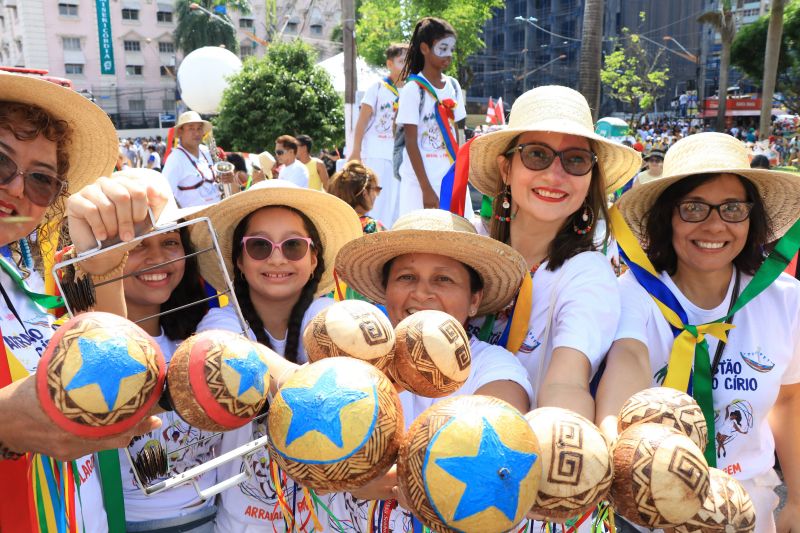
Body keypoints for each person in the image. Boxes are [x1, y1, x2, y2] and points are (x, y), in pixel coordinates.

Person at [0, 71, 169, 531]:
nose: (17, 188)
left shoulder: (31, 276)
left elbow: (112, 365)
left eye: (41, 180)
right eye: (1, 163)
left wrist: (108, 266)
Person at [609, 132, 800, 533]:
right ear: (668, 216)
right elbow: (628, 357)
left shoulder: (786, 300)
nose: (715, 225)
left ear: (752, 218)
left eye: (733, 208)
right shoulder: (632, 295)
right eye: (694, 207)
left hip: (749, 510)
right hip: (649, 515)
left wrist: (797, 501)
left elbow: (789, 399)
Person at [329, 209, 534, 531]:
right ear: (386, 292)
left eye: (443, 279)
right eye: (406, 277)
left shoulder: (492, 365)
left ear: (474, 301)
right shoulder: (355, 359)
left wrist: (360, 474)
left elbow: (499, 445)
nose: (422, 293)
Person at [189, 180, 362, 531]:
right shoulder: (220, 322)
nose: (277, 258)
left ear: (314, 260)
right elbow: (224, 349)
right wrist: (289, 376)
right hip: (243, 524)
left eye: (294, 246)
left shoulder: (329, 314)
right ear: (238, 260)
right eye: (259, 246)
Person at [466, 85, 641, 423]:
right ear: (506, 169)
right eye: (536, 154)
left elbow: (567, 381)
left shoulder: (585, 273)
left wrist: (563, 435)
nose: (554, 174)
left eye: (576, 160)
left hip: (526, 455)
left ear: (590, 179)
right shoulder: (465, 243)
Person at [99, 169, 218, 532]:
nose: (159, 257)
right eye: (136, 245)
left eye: (170, 242)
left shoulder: (201, 338)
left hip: (213, 518)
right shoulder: (83, 345)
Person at [396, 17, 466, 215]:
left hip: (450, 178)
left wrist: (462, 175)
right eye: (442, 48)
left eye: (451, 49)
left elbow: (460, 133)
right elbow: (410, 142)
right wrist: (426, 189)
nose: (449, 55)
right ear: (425, 48)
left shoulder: (453, 86)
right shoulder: (413, 89)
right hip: (420, 183)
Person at [349, 43, 408, 227]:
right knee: (376, 200)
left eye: (408, 61)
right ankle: (371, 233)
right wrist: (355, 151)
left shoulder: (411, 90)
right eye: (401, 61)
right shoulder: (378, 87)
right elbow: (362, 121)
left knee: (396, 203)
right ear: (389, 64)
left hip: (400, 156)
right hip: (376, 153)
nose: (406, 65)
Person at [161, 111, 231, 208]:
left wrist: (229, 180)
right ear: (181, 132)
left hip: (219, 214)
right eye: (191, 128)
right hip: (195, 221)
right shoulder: (175, 159)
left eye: (199, 128)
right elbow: (163, 194)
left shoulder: (206, 151)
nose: (197, 133)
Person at [327, 160, 386, 234]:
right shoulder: (371, 226)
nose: (377, 194)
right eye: (376, 189)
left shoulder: (328, 224)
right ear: (365, 194)